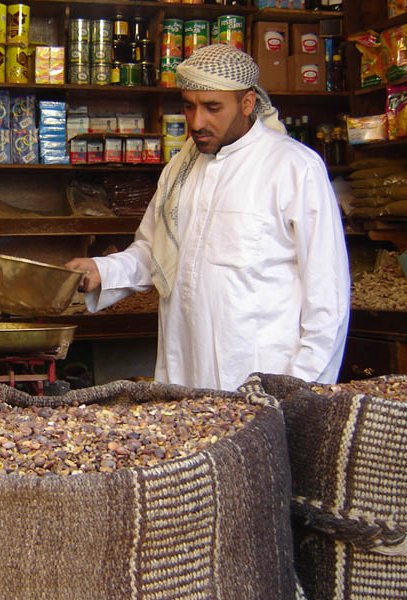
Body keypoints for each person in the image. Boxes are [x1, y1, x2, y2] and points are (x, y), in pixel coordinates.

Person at [66, 44, 351, 391]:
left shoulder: (294, 168)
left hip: (260, 381)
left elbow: (328, 296)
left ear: (247, 104)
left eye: (212, 107)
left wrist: (300, 390)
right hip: (183, 370)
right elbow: (155, 251)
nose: (197, 122)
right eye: (189, 106)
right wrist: (102, 271)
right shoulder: (180, 169)